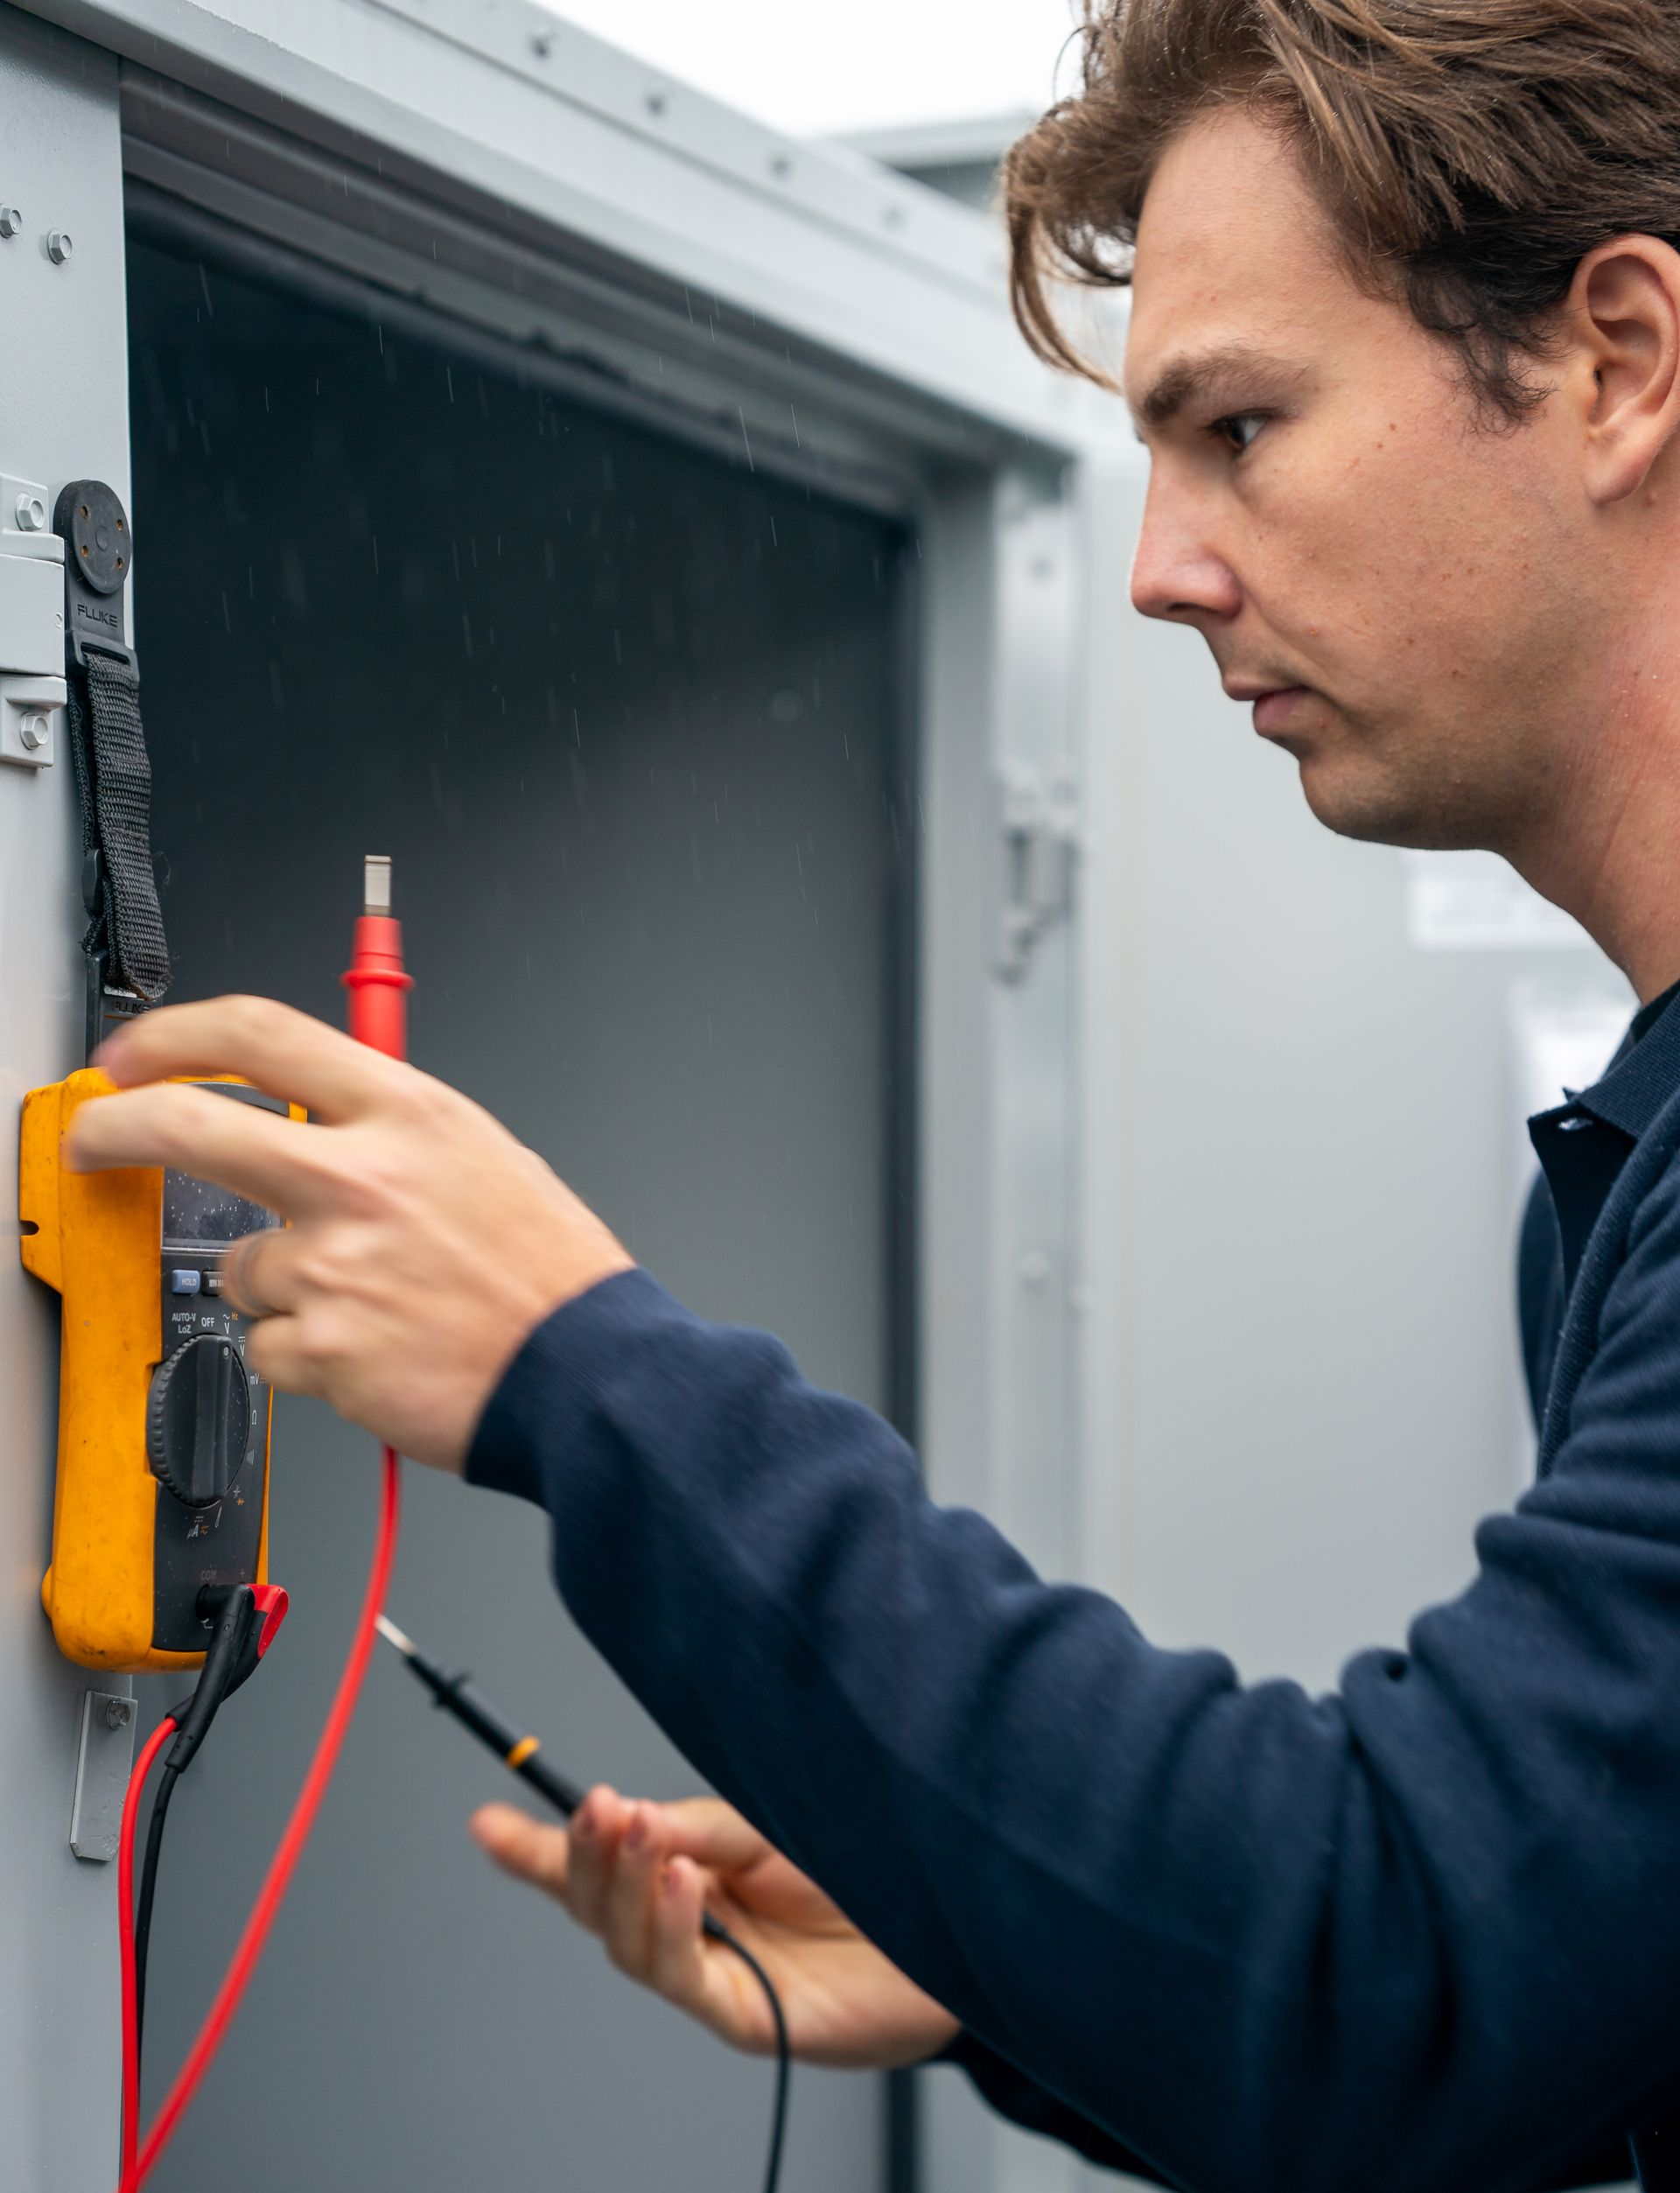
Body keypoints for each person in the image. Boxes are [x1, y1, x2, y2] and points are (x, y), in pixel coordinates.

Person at [67, 3, 1680, 2186]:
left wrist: (583, 1368)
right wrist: (1001, 1936)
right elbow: (1571, 2007)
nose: (1159, 565)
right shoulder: (1614, 1163)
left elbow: (1400, 1970)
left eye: (1239, 423)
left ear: (1618, 360)